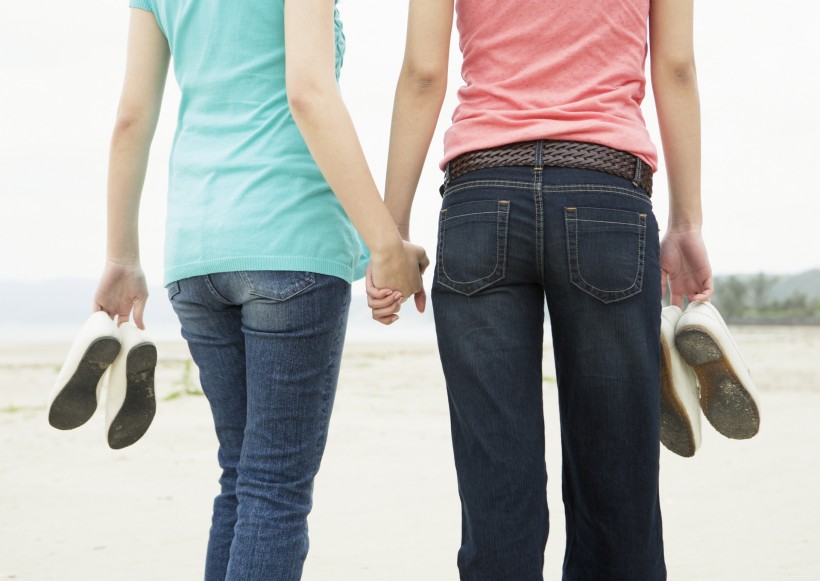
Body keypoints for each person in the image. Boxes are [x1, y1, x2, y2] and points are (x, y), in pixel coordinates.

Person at [368, 0, 713, 578]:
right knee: (618, 494)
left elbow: (423, 73)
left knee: (496, 492)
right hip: (605, 192)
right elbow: (675, 68)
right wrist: (685, 224)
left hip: (481, 196)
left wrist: (393, 236)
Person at [91, 1, 427, 579]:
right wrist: (386, 243)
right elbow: (308, 92)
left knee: (241, 476)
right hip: (289, 240)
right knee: (274, 488)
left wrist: (122, 256)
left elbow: (131, 117)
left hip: (196, 254)